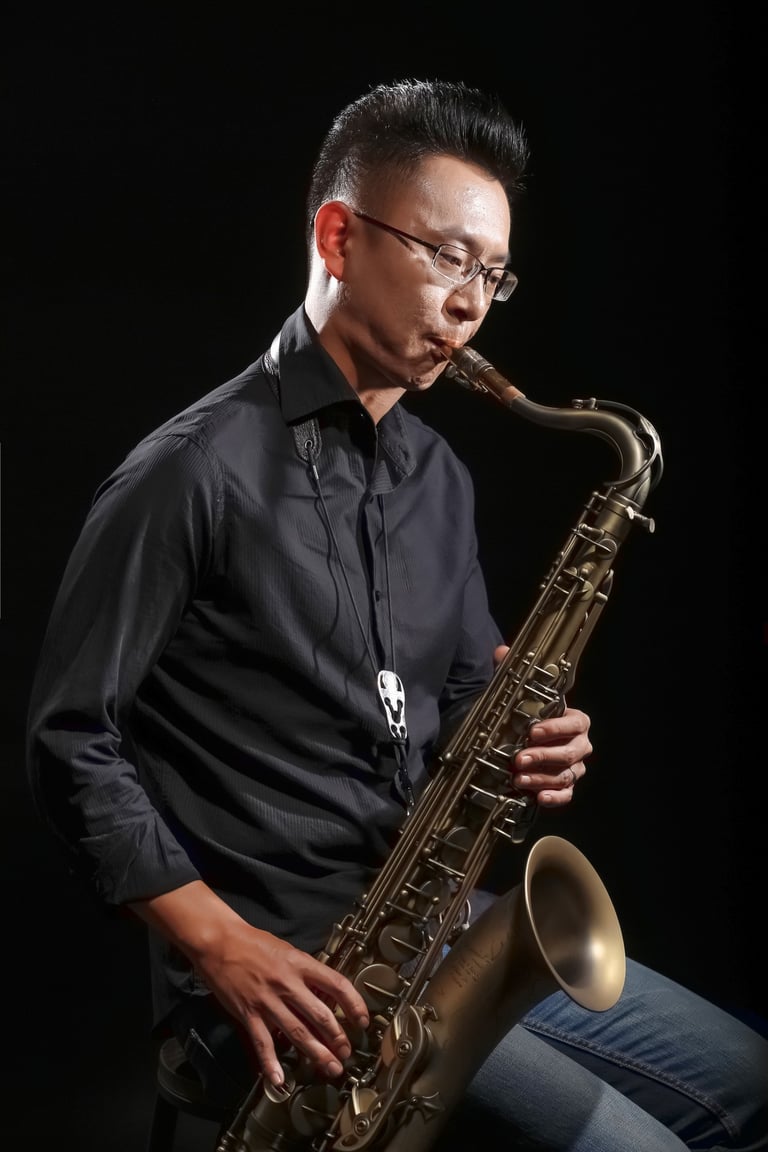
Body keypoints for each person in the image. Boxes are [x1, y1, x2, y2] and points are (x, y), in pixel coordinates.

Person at [26, 78, 767, 1152]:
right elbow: (67, 740)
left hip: (440, 928)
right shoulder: (189, 473)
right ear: (339, 237)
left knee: (749, 1084)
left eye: (494, 275)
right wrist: (217, 941)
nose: (473, 303)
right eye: (449, 257)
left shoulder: (438, 477)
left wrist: (524, 740)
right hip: (285, 974)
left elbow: (462, 692)